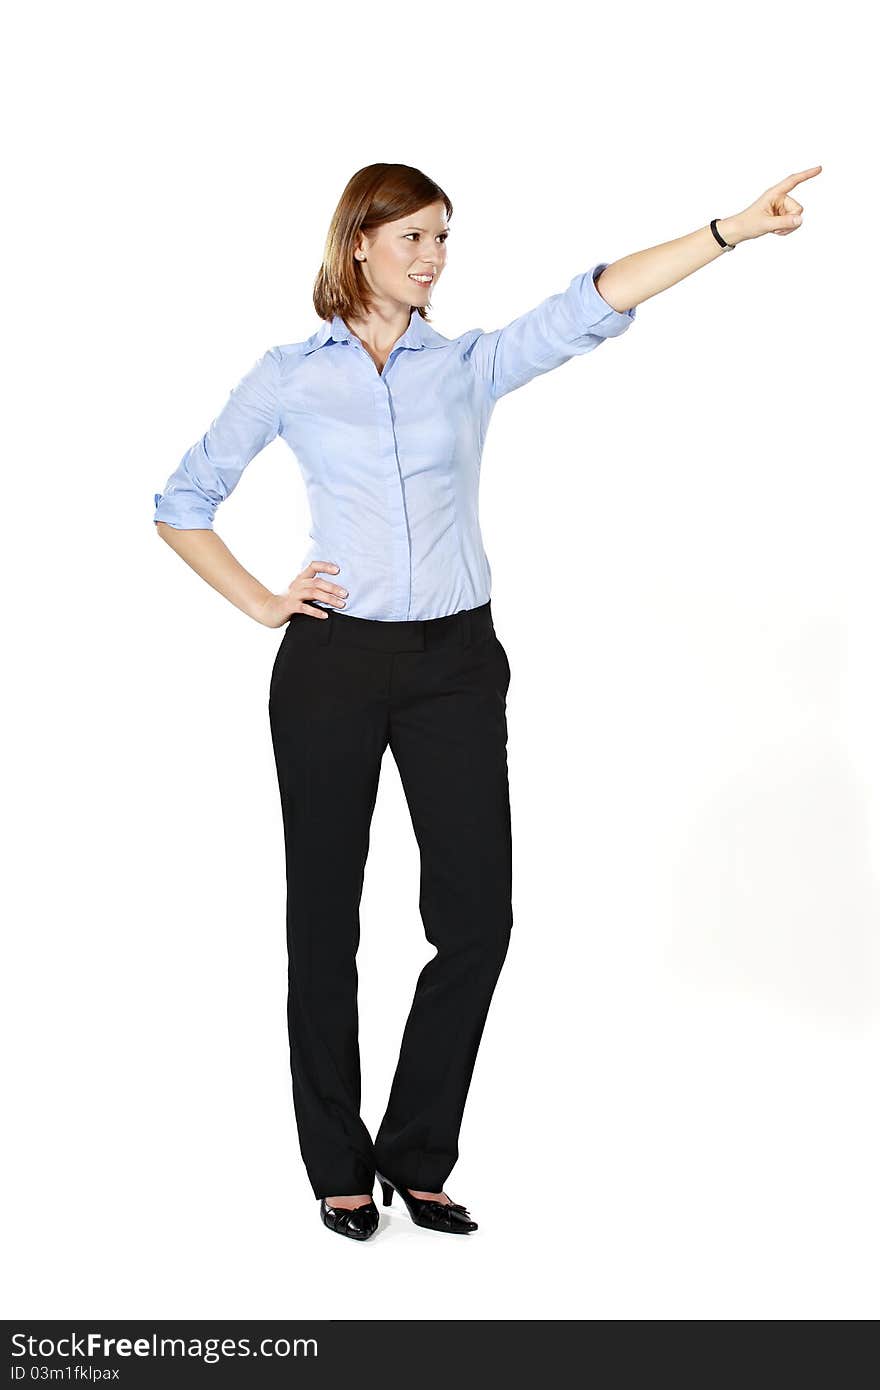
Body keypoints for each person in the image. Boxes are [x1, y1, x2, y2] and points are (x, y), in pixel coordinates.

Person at [153, 161, 820, 1241]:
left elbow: (591, 301)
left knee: (476, 919)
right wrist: (264, 602)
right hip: (332, 662)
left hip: (456, 664)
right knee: (323, 920)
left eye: (442, 237)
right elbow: (181, 501)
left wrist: (728, 231)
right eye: (411, 236)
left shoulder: (464, 367)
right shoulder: (287, 375)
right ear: (357, 244)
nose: (431, 257)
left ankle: (417, 1154)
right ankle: (335, 1162)